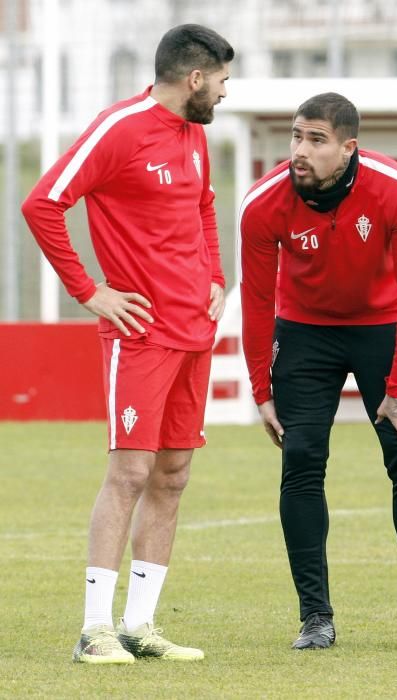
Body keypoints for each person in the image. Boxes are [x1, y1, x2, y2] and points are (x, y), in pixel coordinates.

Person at [22, 24, 234, 664]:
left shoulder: (195, 134)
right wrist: (89, 292)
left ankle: (140, 627)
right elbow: (43, 204)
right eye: (223, 80)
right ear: (195, 78)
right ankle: (95, 631)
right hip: (138, 335)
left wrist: (216, 277)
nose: (226, 92)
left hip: (193, 331)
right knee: (130, 473)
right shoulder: (119, 128)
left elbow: (202, 205)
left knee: (173, 475)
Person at [239, 92, 397, 652]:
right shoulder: (263, 203)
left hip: (385, 328)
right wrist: (261, 387)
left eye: (316, 140)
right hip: (304, 333)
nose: (299, 151)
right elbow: (257, 301)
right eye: (295, 137)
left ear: (348, 148)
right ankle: (315, 618)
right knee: (302, 463)